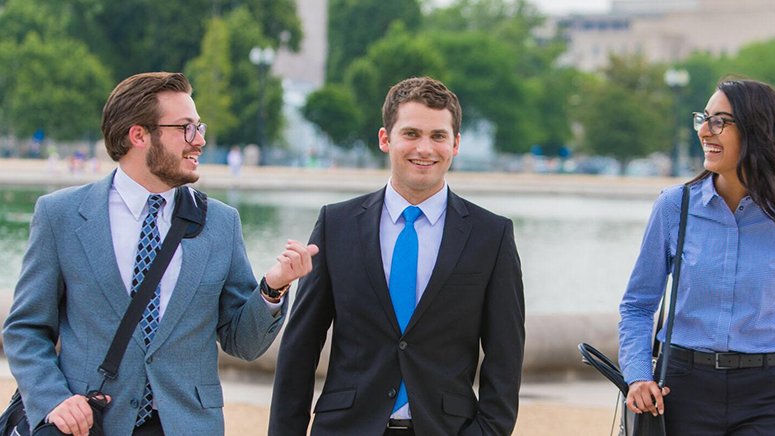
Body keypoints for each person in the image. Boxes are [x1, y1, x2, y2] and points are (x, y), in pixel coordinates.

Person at [3, 72, 319, 436]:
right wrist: (53, 399)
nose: (199, 140)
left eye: (198, 126)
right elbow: (26, 329)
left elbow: (242, 343)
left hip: (188, 425)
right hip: (91, 425)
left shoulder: (221, 222)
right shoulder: (60, 215)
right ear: (139, 135)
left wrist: (273, 288)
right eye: (185, 128)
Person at [268, 77, 525, 436]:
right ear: (385, 139)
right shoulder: (336, 224)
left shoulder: (492, 235)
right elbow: (301, 345)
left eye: (438, 136)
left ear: (455, 145)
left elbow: (506, 356)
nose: (425, 148)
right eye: (411, 134)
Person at [618, 78, 775, 435]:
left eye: (720, 121)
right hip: (681, 391)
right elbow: (637, 304)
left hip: (769, 395)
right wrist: (637, 376)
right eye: (703, 118)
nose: (705, 131)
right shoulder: (673, 207)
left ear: (758, 132)